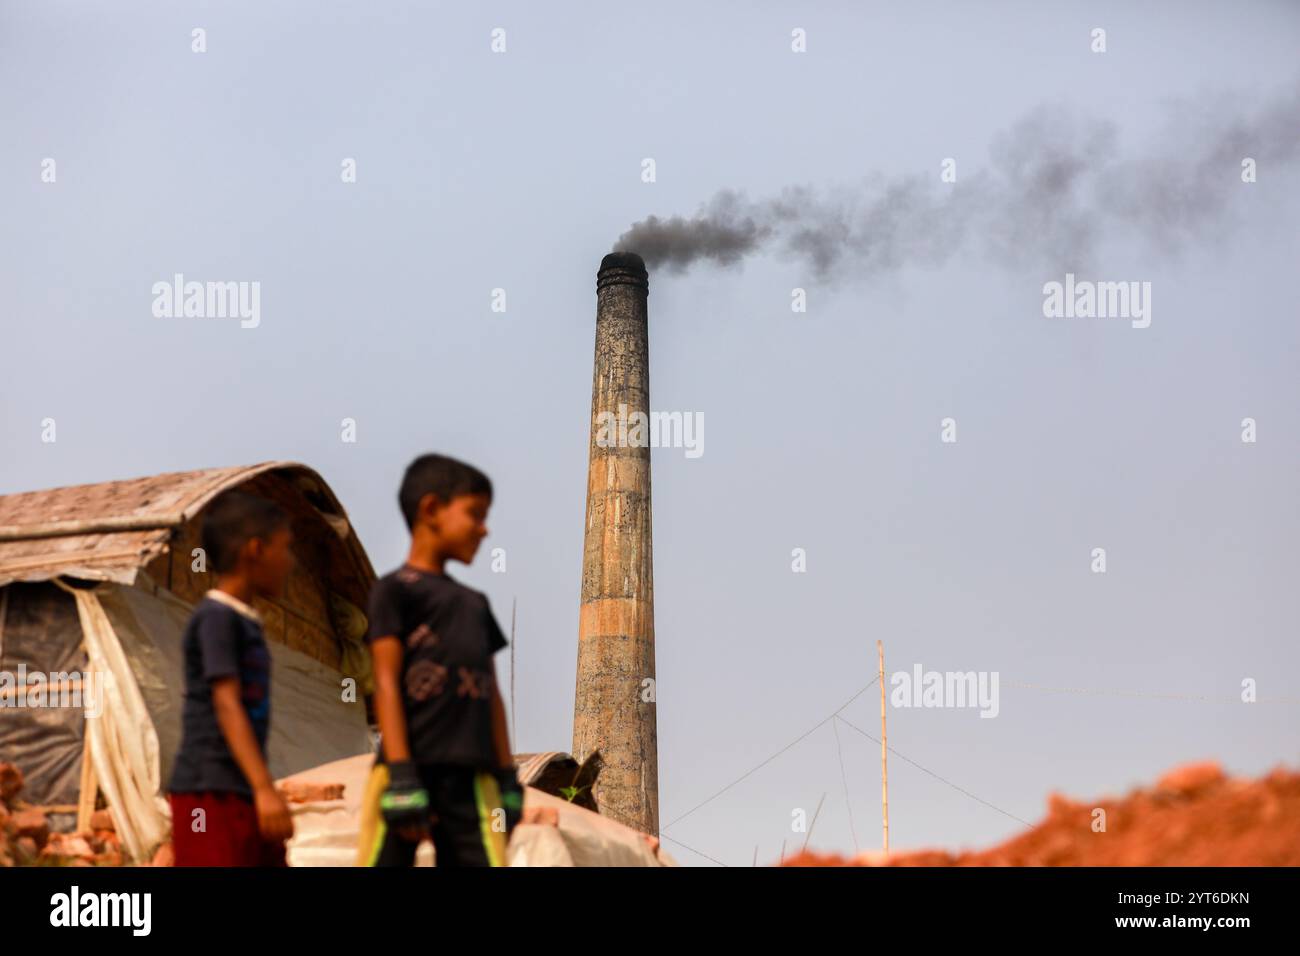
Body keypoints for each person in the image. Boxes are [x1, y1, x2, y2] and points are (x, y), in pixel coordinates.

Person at [357, 453, 521, 866]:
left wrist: (508, 777)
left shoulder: (475, 604)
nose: (484, 529)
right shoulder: (395, 592)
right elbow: (387, 682)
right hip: (407, 770)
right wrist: (401, 774)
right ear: (430, 509)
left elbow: (493, 696)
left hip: (473, 781)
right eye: (475, 514)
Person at [167, 491, 295, 866]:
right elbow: (227, 703)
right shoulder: (216, 619)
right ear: (255, 550)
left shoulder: (244, 622)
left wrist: (260, 786)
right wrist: (263, 788)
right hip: (209, 790)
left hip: (239, 787)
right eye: (285, 549)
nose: (291, 563)